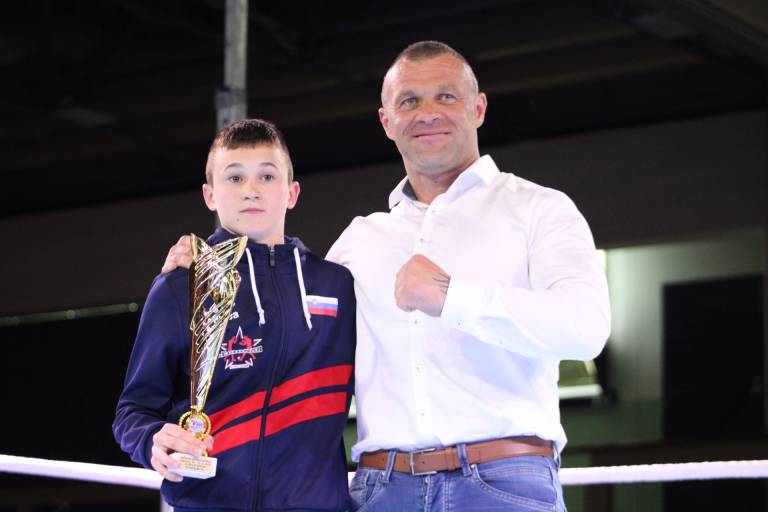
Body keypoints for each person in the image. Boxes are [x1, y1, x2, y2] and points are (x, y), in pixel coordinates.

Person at [164, 41, 610, 512]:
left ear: (478, 108)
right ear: (386, 121)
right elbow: (279, 336)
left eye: (446, 96)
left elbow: (586, 327)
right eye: (409, 101)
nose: (427, 113)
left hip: (503, 479)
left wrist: (453, 297)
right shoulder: (360, 240)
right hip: (384, 488)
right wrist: (210, 265)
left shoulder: (538, 208)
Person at [114, 119, 356, 512]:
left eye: (267, 176)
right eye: (235, 177)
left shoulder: (338, 286)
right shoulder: (182, 286)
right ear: (210, 195)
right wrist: (152, 441)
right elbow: (133, 411)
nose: (251, 189)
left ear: (292, 192)